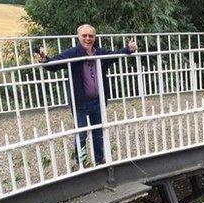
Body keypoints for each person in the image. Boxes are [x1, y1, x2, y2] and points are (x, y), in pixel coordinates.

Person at [35, 24, 138, 164]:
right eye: (84, 35)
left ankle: (99, 159)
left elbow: (113, 55)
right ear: (78, 36)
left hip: (98, 100)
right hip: (80, 102)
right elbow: (55, 63)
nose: (88, 38)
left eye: (91, 36)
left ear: (95, 37)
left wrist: (128, 49)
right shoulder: (73, 53)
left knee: (98, 132)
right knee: (81, 133)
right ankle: (81, 162)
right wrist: (45, 60)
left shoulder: (99, 52)